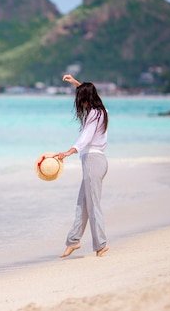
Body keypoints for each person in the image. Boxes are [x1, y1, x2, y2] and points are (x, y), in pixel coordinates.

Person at [56, 74, 110, 258]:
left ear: (87, 100)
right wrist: (75, 83)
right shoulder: (102, 111)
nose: (82, 105)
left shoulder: (95, 114)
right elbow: (91, 93)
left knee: (93, 205)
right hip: (97, 162)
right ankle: (73, 240)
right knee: (83, 204)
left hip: (93, 162)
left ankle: (101, 244)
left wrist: (68, 152)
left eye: (82, 101)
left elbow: (85, 138)